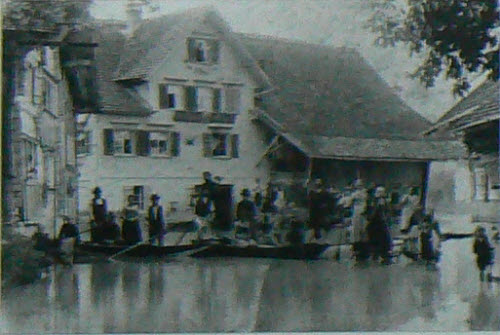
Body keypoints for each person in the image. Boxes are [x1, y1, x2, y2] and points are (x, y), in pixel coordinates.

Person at [367, 186, 392, 264]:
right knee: (378, 238)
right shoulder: (375, 201)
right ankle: (378, 254)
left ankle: (381, 254)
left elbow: (387, 212)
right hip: (376, 223)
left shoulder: (380, 201)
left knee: (382, 239)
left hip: (379, 223)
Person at [350, 179, 369, 261]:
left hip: (362, 211)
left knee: (363, 229)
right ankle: (357, 246)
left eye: (360, 185)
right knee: (356, 229)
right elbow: (351, 202)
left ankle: (364, 246)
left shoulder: (364, 193)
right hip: (356, 212)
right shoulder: (355, 194)